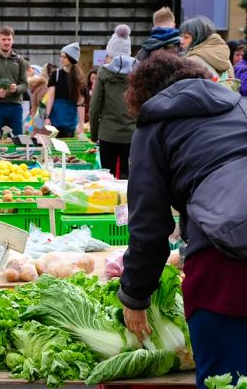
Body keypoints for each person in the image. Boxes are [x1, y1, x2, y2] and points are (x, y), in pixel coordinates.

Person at [118, 50, 247, 389]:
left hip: (226, 260)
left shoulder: (154, 126)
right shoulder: (239, 106)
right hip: (230, 240)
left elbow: (149, 227)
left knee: (227, 381)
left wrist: (134, 296)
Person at [89, 25, 138, 179]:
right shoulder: (139, 72)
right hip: (132, 135)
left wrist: (94, 134)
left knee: (107, 177)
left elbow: (94, 107)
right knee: (128, 177)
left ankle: (108, 203)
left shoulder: (103, 72)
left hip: (107, 135)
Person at [180, 16, 236, 91]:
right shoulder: (224, 57)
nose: (181, 41)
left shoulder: (192, 61)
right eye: (181, 37)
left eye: (186, 37)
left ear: (199, 38)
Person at [43, 42, 85, 138]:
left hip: (70, 120)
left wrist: (81, 125)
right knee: (54, 147)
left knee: (67, 147)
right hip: (55, 118)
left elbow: (80, 103)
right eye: (61, 56)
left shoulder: (78, 78)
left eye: (64, 57)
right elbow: (50, 98)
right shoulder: (56, 74)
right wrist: (47, 117)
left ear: (71, 58)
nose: (61, 59)